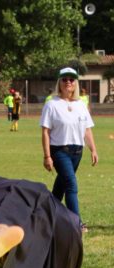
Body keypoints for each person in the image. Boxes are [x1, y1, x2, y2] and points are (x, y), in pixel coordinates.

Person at [40, 67, 98, 233]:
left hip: (77, 152)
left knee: (60, 187)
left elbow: (87, 129)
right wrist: (47, 156)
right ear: (59, 82)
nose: (68, 82)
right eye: (64, 79)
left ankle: (46, 216)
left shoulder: (81, 105)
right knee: (71, 186)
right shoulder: (51, 104)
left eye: (71, 79)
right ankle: (76, 223)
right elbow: (45, 131)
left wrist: (93, 149)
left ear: (76, 83)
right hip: (59, 151)